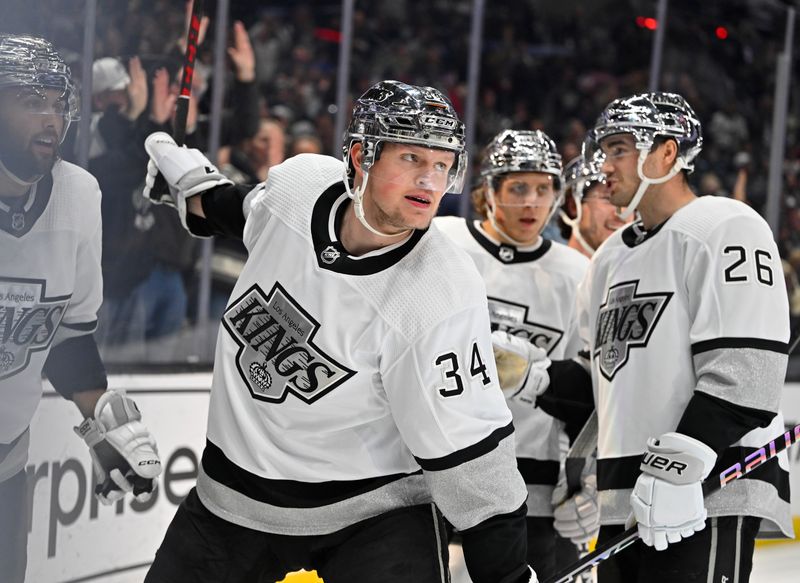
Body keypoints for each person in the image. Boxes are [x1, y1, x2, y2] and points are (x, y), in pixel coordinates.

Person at [141, 80, 536, 583]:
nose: (431, 181)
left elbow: (476, 459)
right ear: (359, 156)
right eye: (412, 157)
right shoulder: (301, 186)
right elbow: (246, 212)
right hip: (232, 500)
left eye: (442, 164)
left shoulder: (444, 291)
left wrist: (507, 578)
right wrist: (190, 188)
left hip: (373, 513)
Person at [577, 92, 792, 582]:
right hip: (622, 503)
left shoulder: (726, 226)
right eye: (604, 151)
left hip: (703, 496)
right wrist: (529, 377)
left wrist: (676, 469)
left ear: (667, 153)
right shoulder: (608, 257)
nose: (604, 166)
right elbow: (600, 384)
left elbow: (746, 373)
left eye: (619, 149)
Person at [0, 34, 161, 583]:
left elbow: (66, 332)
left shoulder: (78, 194)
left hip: (6, 468)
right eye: (29, 101)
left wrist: (100, 424)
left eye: (57, 102)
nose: (50, 118)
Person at [434, 129, 595, 579]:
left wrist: (583, 478)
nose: (532, 204)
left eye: (544, 189)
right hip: (432, 467)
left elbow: (583, 388)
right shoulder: (442, 243)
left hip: (530, 480)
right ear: (488, 193)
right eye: (518, 188)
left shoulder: (577, 274)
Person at [559, 152, 628, 258]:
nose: (622, 213)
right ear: (573, 206)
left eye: (628, 202)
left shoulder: (642, 271)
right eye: (608, 199)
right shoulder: (549, 272)